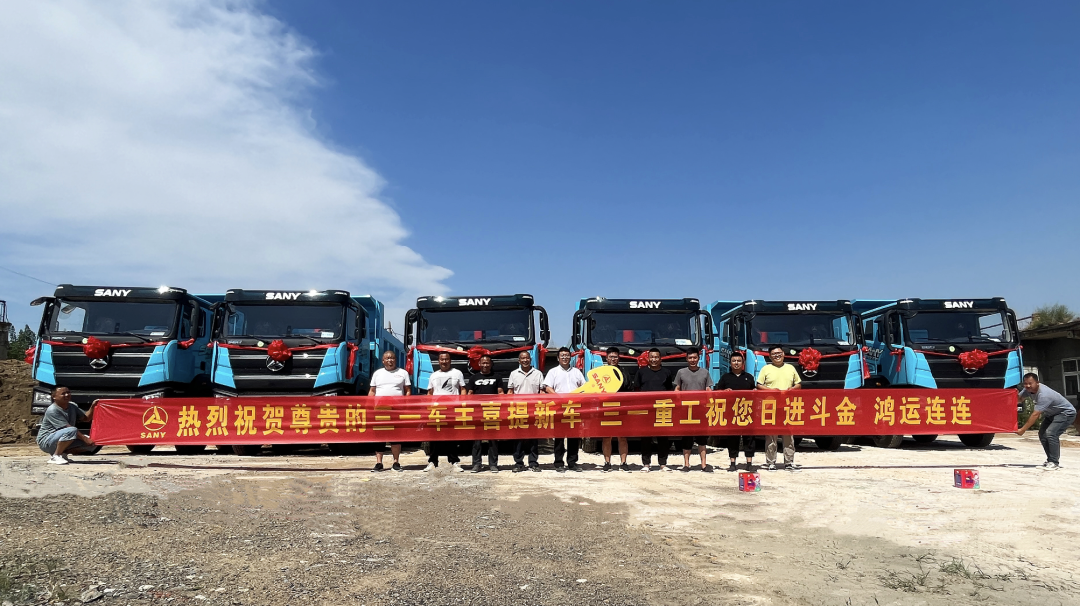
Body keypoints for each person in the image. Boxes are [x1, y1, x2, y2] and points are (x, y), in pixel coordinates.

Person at [1016, 373, 1076, 470]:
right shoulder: (1027, 390)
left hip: (1065, 413)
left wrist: (1023, 429)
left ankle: (1054, 462)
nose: (1027, 386)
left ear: (1037, 383)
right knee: (1042, 434)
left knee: (1051, 433)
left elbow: (1035, 414)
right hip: (1051, 414)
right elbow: (1018, 400)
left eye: (1030, 383)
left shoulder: (1044, 394)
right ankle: (1050, 460)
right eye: (1025, 383)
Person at [757, 345, 802, 472]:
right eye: (774, 354)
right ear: (770, 356)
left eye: (779, 353)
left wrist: (792, 389)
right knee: (771, 436)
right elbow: (759, 385)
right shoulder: (766, 369)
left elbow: (798, 384)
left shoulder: (790, 368)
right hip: (770, 408)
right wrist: (771, 390)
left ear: (783, 354)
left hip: (787, 407)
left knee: (788, 435)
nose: (777, 356)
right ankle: (771, 462)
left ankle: (789, 462)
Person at [543, 347, 587, 472]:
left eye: (567, 355)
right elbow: (547, 387)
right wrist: (559, 399)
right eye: (562, 355)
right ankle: (558, 462)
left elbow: (583, 387)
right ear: (558, 358)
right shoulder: (553, 372)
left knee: (574, 436)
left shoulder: (577, 372)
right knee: (559, 436)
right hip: (559, 408)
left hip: (574, 408)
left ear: (570, 357)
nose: (565, 357)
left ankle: (572, 462)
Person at [714, 350, 757, 471]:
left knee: (749, 438)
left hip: (747, 412)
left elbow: (754, 393)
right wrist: (724, 392)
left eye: (739, 361)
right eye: (734, 361)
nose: (736, 363)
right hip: (731, 413)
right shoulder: (725, 378)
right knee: (733, 438)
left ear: (743, 363)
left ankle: (749, 463)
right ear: (730, 363)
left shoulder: (749, 377)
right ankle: (732, 462)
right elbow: (717, 393)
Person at [368, 350, 409, 472]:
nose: (390, 360)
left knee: (395, 436)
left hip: (397, 410)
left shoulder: (403, 373)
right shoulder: (377, 374)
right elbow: (372, 391)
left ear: (395, 360)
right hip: (380, 409)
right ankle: (379, 463)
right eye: (387, 358)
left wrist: (406, 406)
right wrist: (370, 406)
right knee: (379, 436)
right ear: (383, 360)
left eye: (392, 358)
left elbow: (407, 391)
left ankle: (396, 462)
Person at [426, 352, 467, 472]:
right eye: (442, 359)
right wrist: (428, 408)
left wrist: (462, 406)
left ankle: (454, 461)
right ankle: (433, 462)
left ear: (450, 360)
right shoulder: (433, 375)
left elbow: (463, 390)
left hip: (452, 409)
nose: (444, 362)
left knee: (452, 436)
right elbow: (430, 393)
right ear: (438, 361)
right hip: (437, 409)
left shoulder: (457, 373)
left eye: (446, 359)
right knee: (434, 437)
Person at [636, 348, 675, 472]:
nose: (654, 359)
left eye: (656, 357)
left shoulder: (667, 372)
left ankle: (663, 464)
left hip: (662, 408)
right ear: (648, 358)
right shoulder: (641, 372)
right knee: (645, 437)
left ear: (660, 358)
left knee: (663, 437)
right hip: (645, 409)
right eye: (651, 357)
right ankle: (646, 464)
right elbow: (636, 390)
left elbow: (670, 390)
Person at [36, 386, 97, 464]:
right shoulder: (52, 410)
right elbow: (67, 428)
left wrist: (93, 406)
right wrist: (85, 439)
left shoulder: (72, 406)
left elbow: (86, 418)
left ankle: (63, 454)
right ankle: (56, 456)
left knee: (94, 441)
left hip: (62, 436)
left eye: (68, 392)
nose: (67, 395)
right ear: (54, 396)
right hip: (46, 441)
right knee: (72, 430)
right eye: (63, 393)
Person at [673, 349, 712, 472]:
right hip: (686, 410)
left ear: (698, 358)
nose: (692, 360)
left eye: (695, 358)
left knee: (702, 439)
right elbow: (677, 389)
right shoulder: (681, 372)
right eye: (690, 358)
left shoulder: (705, 372)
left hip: (701, 410)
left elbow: (708, 389)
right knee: (687, 438)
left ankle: (704, 464)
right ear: (686, 359)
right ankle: (686, 464)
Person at [508, 351, 545, 472]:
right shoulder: (513, 374)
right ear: (519, 361)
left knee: (534, 438)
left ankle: (533, 462)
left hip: (534, 410)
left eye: (527, 358)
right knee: (518, 438)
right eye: (522, 358)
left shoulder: (538, 374)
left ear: (531, 359)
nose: (525, 360)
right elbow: (510, 392)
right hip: (518, 410)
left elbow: (542, 392)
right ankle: (518, 463)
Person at [467, 354, 504, 473]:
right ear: (479, 364)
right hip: (477, 412)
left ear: (491, 364)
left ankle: (493, 464)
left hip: (492, 411)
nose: (485, 365)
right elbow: (470, 394)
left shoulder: (497, 377)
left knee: (493, 440)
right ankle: (476, 464)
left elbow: (500, 393)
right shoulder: (473, 378)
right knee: (476, 440)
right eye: (483, 363)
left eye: (487, 363)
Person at [601, 348, 631, 473]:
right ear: (606, 358)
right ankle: (607, 463)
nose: (613, 359)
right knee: (607, 437)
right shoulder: (601, 372)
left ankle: (623, 462)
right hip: (606, 408)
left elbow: (629, 390)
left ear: (619, 358)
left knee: (622, 437)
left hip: (622, 408)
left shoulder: (624, 372)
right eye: (610, 357)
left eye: (615, 357)